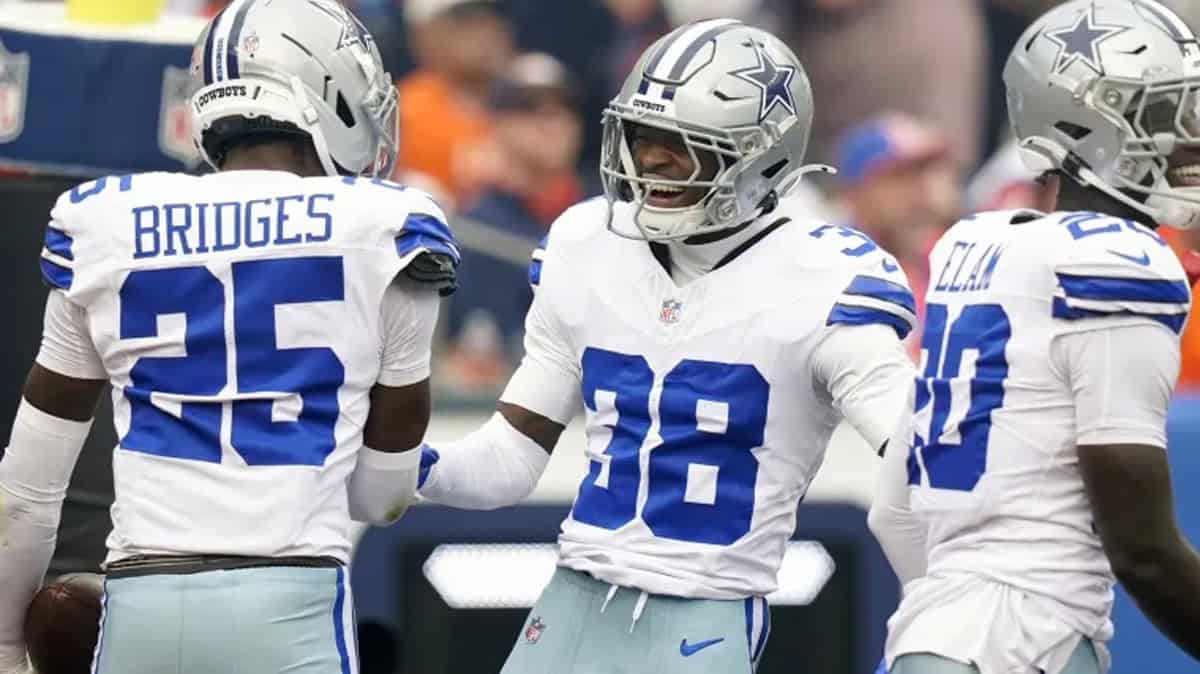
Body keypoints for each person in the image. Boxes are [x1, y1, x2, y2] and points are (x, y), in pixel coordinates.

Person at [418, 18, 916, 674]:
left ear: (760, 154)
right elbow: (508, 457)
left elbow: (925, 455)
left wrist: (932, 598)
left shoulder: (825, 276)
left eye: (682, 146)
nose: (650, 161)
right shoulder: (587, 241)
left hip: (703, 620)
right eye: (643, 137)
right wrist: (404, 466)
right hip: (567, 604)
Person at [0, 1, 458, 672]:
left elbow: (27, 493)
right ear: (327, 89)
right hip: (292, 606)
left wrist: (10, 648)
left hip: (143, 602)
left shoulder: (103, 223)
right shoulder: (389, 229)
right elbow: (380, 495)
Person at [868, 1, 1200, 673]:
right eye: (1166, 115)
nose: (1189, 136)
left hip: (930, 638)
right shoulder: (1120, 265)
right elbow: (1141, 549)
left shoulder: (975, 243)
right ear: (1086, 126)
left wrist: (954, 609)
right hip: (1028, 644)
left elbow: (891, 512)